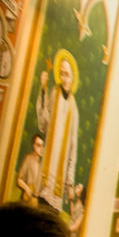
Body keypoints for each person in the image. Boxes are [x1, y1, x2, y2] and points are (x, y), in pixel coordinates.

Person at [37, 50, 80, 212]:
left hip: (60, 172)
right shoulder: (54, 93)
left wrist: (69, 181)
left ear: (73, 77)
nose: (64, 78)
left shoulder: (74, 109)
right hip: (47, 165)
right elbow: (43, 124)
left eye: (67, 74)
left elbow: (73, 147)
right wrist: (43, 89)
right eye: (62, 74)